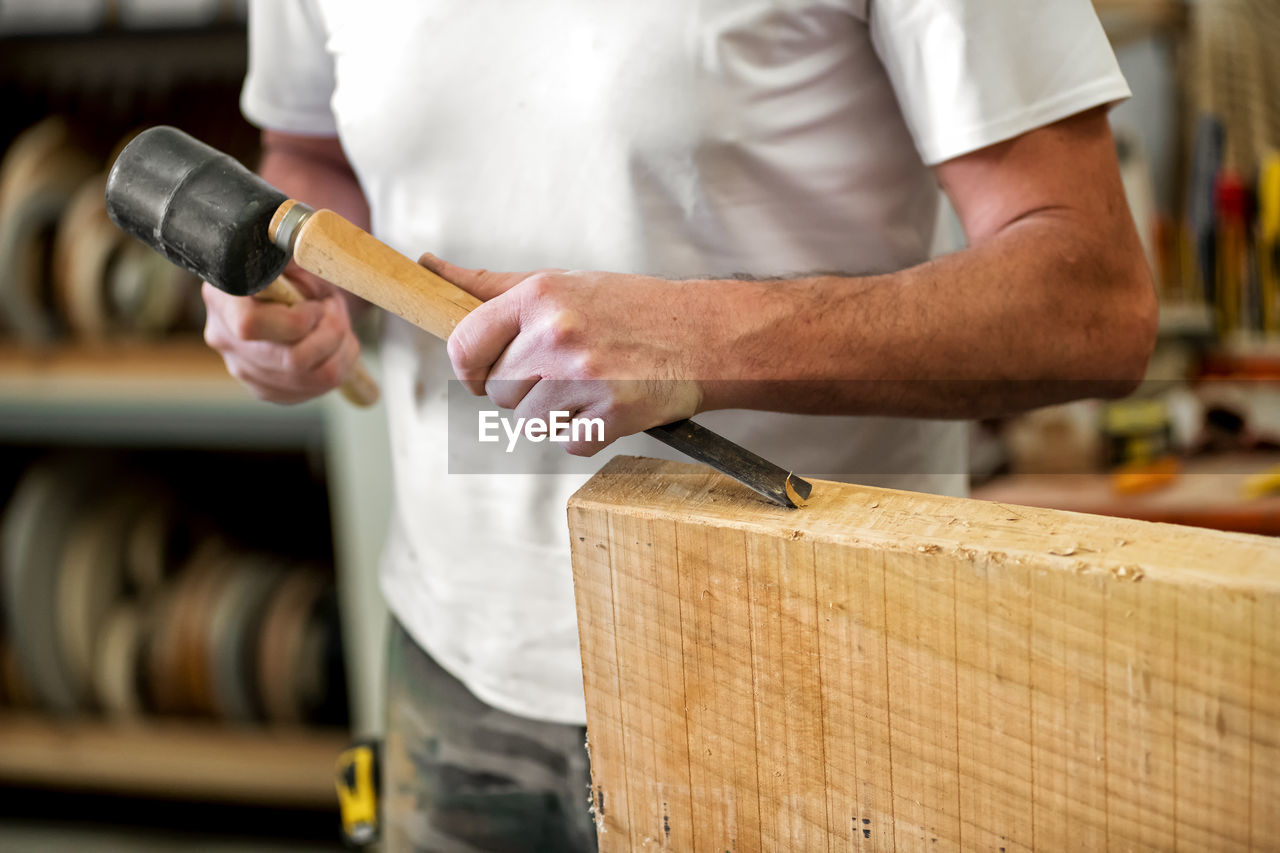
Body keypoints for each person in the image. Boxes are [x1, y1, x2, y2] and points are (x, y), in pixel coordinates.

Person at [207, 2, 1156, 849]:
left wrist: (695, 339)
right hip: (453, 664)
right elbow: (312, 150)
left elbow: (1093, 298)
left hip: (810, 688)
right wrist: (296, 279)